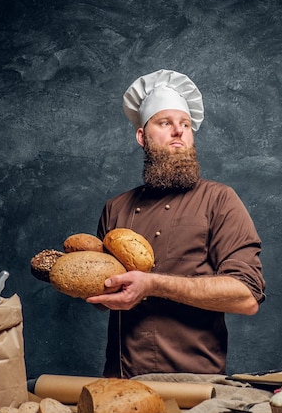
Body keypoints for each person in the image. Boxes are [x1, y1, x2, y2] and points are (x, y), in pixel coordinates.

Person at [86, 69, 265, 379]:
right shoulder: (115, 208)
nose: (179, 131)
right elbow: (104, 301)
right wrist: (81, 277)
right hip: (120, 381)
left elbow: (246, 296)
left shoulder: (219, 200)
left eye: (185, 124)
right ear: (142, 136)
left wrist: (153, 284)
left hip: (194, 383)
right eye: (165, 123)